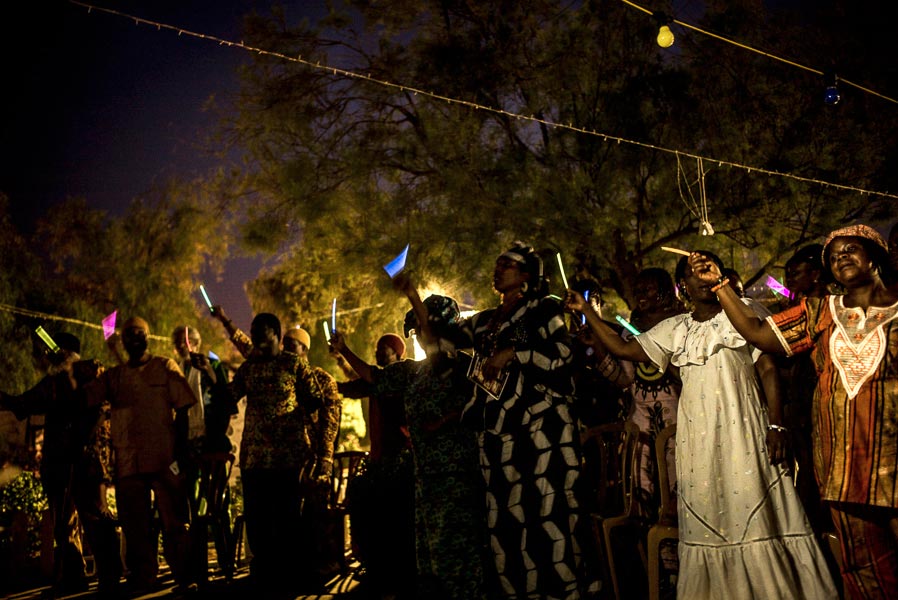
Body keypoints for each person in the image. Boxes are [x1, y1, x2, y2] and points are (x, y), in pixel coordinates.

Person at [566, 250, 838, 599]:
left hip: (746, 432)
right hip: (699, 441)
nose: (704, 278)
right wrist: (587, 311)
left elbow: (768, 370)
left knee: (759, 512)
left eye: (710, 270)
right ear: (683, 287)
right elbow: (622, 347)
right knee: (712, 518)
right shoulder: (674, 329)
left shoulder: (744, 315)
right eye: (695, 273)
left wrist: (776, 426)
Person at [700, 223, 898, 598]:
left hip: (893, 463)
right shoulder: (819, 312)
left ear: (875, 255)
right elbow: (758, 333)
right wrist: (720, 285)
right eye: (834, 255)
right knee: (863, 569)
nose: (842, 257)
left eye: (851, 249)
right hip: (844, 469)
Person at [446, 241, 583, 599]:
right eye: (496, 264)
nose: (498, 269)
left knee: (546, 516)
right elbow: (441, 340)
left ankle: (562, 591)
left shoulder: (541, 310)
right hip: (498, 434)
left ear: (525, 275)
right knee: (506, 523)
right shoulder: (491, 321)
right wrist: (413, 294)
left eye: (506, 264)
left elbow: (560, 354)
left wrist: (514, 353)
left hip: (542, 432)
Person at [342, 272, 486, 599]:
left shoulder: (462, 365)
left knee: (459, 560)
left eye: (423, 329)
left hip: (457, 478)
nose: (420, 337)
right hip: (425, 480)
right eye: (417, 331)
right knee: (430, 561)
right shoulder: (414, 373)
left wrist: (412, 294)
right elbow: (374, 377)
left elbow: (473, 403)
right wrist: (344, 350)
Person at [0, 332, 120, 597]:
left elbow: (22, 403)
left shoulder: (69, 381)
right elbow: (24, 403)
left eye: (55, 352)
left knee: (80, 521)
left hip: (73, 462)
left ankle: (93, 576)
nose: (49, 356)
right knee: (78, 521)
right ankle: (91, 576)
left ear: (64, 354)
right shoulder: (79, 379)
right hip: (78, 462)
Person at [85, 317, 199, 596]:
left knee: (174, 522)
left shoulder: (164, 367)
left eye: (139, 334)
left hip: (164, 459)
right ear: (122, 341)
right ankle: (143, 576)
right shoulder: (115, 376)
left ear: (148, 337)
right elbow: (86, 398)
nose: (134, 339)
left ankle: (184, 575)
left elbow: (184, 408)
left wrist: (181, 454)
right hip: (129, 463)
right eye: (129, 335)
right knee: (134, 525)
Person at [226, 313, 327, 597]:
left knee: (288, 519)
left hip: (289, 457)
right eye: (253, 329)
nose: (256, 335)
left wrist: (318, 454)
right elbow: (228, 397)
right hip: (256, 458)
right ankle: (264, 577)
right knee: (258, 520)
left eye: (262, 330)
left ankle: (292, 576)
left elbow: (315, 401)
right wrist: (211, 376)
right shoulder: (249, 368)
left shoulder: (293, 364)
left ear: (276, 334)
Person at [589, 267, 684, 515]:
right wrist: (598, 348)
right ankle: (648, 545)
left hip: (679, 424)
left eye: (648, 288)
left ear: (664, 291)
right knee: (641, 488)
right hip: (640, 426)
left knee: (679, 486)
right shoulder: (631, 330)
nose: (641, 294)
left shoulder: (683, 325)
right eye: (638, 290)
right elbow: (624, 379)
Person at [330, 330, 416, 599]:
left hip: (400, 461)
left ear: (397, 354)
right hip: (380, 461)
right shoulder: (378, 381)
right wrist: (327, 384)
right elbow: (356, 384)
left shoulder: (399, 378)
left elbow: (366, 378)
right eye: (378, 348)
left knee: (390, 512)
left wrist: (344, 350)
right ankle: (374, 564)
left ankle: (391, 570)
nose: (378, 353)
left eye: (384, 349)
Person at [282, 325, 343, 585]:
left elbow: (331, 420)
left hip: (314, 456)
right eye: (284, 343)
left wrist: (325, 458)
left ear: (304, 349)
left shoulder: (321, 378)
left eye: (291, 344)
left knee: (318, 513)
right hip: (287, 458)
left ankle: (325, 565)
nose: (285, 348)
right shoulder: (281, 379)